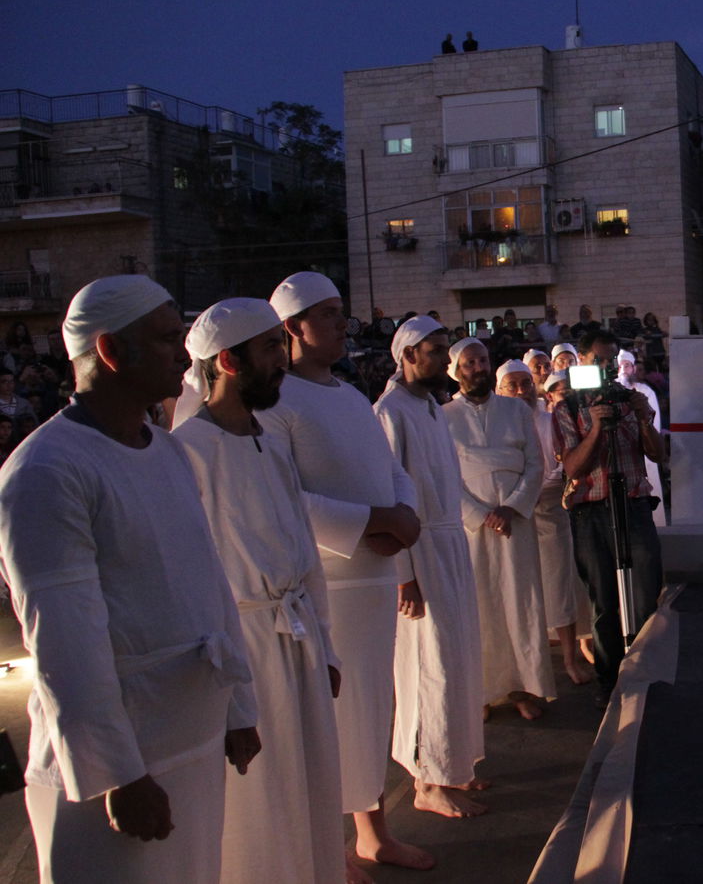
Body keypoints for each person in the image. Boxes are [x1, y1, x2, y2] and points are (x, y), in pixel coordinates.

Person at [0, 275, 259, 884]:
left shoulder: (167, 451)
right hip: (116, 769)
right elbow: (63, 641)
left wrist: (236, 706)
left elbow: (208, 585)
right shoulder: (46, 470)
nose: (182, 353)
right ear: (113, 352)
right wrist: (119, 773)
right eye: (168, 338)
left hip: (190, 739)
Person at [261, 272, 432, 881]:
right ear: (292, 328)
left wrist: (403, 515)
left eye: (341, 312)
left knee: (372, 710)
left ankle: (373, 832)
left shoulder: (353, 395)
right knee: (331, 716)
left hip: (377, 577)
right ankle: (328, 845)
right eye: (328, 314)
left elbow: (389, 469)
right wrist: (372, 522)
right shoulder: (274, 401)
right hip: (325, 584)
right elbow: (284, 497)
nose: (342, 322)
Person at [171, 298, 343, 884]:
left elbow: (304, 553)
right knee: (262, 806)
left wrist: (325, 646)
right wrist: (231, 700)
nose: (283, 360)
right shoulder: (186, 451)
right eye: (271, 347)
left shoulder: (269, 438)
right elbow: (192, 584)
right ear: (228, 362)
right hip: (245, 651)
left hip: (297, 640)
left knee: (312, 786)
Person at [375, 316, 490, 814]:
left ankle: (454, 766)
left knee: (458, 660)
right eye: (437, 350)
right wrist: (405, 575)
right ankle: (426, 782)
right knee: (430, 666)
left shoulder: (429, 409)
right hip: (419, 550)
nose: (446, 358)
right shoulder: (389, 411)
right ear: (407, 356)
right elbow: (388, 494)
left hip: (449, 545)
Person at [553, 329, 665, 708]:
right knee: (603, 601)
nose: (605, 367)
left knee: (646, 592)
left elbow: (658, 454)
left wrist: (643, 417)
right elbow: (573, 468)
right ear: (580, 361)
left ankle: (647, 671)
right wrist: (598, 425)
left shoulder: (629, 400)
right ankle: (609, 680)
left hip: (633, 504)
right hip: (590, 512)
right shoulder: (567, 408)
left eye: (610, 360)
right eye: (597, 359)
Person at [444, 348, 555, 719]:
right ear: (456, 370)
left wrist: (510, 507)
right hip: (471, 529)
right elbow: (445, 477)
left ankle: (521, 689)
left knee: (519, 604)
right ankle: (483, 693)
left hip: (515, 521)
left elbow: (536, 464)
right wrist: (480, 513)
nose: (478, 368)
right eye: (470, 363)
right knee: (479, 608)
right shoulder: (442, 417)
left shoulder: (516, 411)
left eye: (482, 362)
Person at [497, 360, 593, 686]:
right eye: (513, 385)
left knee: (558, 587)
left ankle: (569, 659)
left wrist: (536, 492)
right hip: (511, 521)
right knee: (520, 595)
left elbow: (562, 464)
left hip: (550, 513)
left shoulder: (550, 420)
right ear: (500, 390)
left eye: (526, 384)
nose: (522, 391)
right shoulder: (496, 424)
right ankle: (527, 669)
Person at [617, 349, 667, 529]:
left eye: (627, 366)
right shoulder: (611, 391)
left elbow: (654, 424)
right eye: (620, 365)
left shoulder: (645, 391)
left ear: (633, 368)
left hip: (645, 451)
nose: (623, 369)